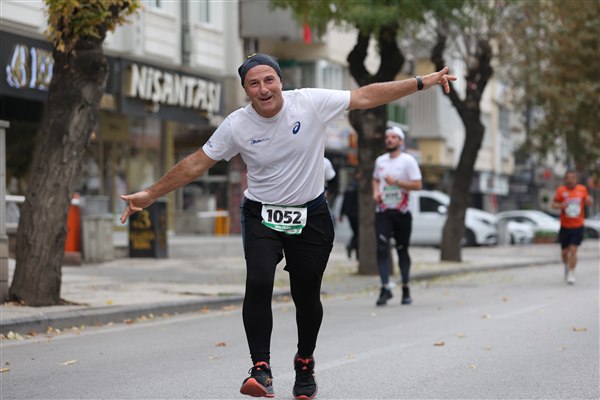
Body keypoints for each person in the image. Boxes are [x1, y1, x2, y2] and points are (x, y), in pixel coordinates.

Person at [119, 53, 456, 399]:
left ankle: (304, 361)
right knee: (259, 280)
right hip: (261, 214)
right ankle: (261, 368)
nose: (263, 89)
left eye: (269, 80)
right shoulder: (237, 125)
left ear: (280, 81)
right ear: (246, 90)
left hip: (310, 215)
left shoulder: (309, 103)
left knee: (306, 295)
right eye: (254, 83)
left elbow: (366, 96)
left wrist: (421, 82)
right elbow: (195, 164)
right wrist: (150, 194)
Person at [372, 126, 422, 306]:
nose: (389, 140)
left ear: (401, 141)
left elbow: (418, 185)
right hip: (383, 211)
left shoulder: (408, 161)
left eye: (394, 137)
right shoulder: (380, 161)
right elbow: (375, 179)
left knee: (402, 249)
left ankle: (406, 287)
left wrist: (397, 183)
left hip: (402, 212)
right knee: (382, 247)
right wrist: (376, 192)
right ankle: (385, 288)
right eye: (388, 137)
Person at [551, 170, 593, 285]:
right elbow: (553, 204)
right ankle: (567, 265)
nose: (570, 180)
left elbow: (589, 202)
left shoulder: (582, 189)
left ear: (576, 179)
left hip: (578, 225)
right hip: (565, 226)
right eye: (568, 178)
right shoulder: (561, 191)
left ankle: (571, 272)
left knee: (573, 249)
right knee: (564, 252)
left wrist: (589, 201)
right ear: (565, 179)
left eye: (572, 178)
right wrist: (561, 205)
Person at [340, 171, 360, 259]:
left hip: (350, 214)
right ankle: (352, 246)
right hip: (356, 213)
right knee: (358, 233)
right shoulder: (359, 187)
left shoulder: (349, 187)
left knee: (356, 233)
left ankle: (354, 250)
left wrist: (341, 213)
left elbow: (344, 202)